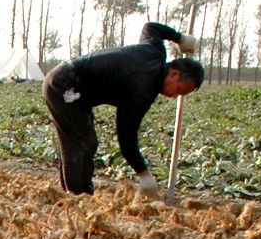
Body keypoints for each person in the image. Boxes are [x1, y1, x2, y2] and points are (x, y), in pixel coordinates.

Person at [43, 22, 203, 196]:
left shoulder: (155, 50)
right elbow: (126, 136)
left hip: (70, 84)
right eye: (180, 90)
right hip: (65, 85)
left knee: (78, 141)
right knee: (82, 142)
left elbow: (151, 28)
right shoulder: (143, 90)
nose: (175, 96)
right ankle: (79, 197)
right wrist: (144, 174)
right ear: (174, 74)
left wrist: (179, 38)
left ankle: (74, 194)